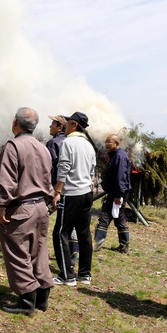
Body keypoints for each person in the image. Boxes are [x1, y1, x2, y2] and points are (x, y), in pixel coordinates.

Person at [0, 107, 55, 315]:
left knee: (17, 251)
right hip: (41, 207)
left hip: (21, 208)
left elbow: (7, 180)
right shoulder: (43, 148)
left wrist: (2, 206)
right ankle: (42, 297)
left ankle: (27, 299)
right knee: (38, 251)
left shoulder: (13, 146)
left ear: (15, 123)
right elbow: (49, 179)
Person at [51, 112, 96, 286]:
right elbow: (92, 170)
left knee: (60, 232)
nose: (66, 127)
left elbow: (63, 168)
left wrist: (57, 191)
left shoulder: (68, 142)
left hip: (71, 194)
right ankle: (85, 274)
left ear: (74, 125)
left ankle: (67, 275)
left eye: (68, 123)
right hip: (86, 193)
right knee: (84, 234)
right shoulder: (88, 145)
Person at [46, 115, 79, 266]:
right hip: (71, 189)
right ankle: (73, 251)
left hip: (55, 188)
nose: (49, 127)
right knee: (67, 220)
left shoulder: (53, 143)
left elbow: (49, 167)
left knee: (41, 213)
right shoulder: (72, 142)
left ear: (59, 126)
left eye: (52, 124)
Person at [93, 134, 131, 253]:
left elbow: (120, 177)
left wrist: (118, 195)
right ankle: (124, 246)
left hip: (118, 193)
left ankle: (97, 244)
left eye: (109, 142)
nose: (106, 144)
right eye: (106, 141)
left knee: (105, 216)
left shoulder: (120, 156)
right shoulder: (115, 155)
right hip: (116, 192)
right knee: (119, 217)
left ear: (116, 143)